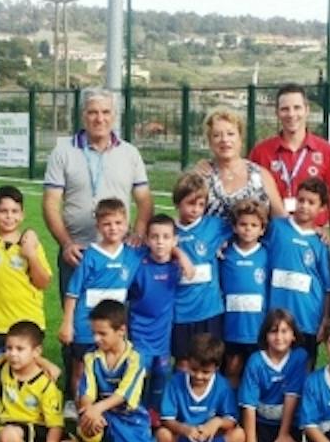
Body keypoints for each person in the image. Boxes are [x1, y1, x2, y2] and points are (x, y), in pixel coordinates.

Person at [42, 87, 153, 297]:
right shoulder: (63, 152)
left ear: (114, 116)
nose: (99, 118)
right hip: (77, 253)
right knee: (75, 322)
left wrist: (138, 233)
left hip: (118, 252)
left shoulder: (129, 153)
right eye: (93, 112)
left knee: (116, 322)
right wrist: (66, 244)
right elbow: (50, 204)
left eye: (105, 112)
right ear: (83, 115)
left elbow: (145, 201)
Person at [249, 83, 330, 258]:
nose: (291, 114)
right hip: (272, 240)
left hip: (314, 240)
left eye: (297, 108)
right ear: (277, 113)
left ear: (307, 110)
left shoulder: (325, 151)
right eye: (285, 109)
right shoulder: (261, 152)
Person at [60, 198, 139, 404]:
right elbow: (73, 292)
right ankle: (79, 410)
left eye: (118, 223)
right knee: (81, 368)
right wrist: (67, 323)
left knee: (112, 365)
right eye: (107, 224)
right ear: (98, 226)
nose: (113, 228)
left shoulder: (132, 255)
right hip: (86, 325)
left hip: (114, 326)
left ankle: (107, 409)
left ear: (126, 223)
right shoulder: (90, 256)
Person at [0, 322, 80, 442]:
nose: (13, 354)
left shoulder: (46, 383)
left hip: (38, 430)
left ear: (36, 351)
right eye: (9, 348)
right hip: (9, 427)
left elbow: (55, 425)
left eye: (20, 349)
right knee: (9, 437)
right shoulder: (1, 366)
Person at [75, 299, 154, 442]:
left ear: (121, 331)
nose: (96, 339)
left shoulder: (136, 358)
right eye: (94, 333)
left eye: (102, 334)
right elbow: (86, 392)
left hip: (128, 414)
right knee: (88, 426)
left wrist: (97, 408)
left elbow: (123, 394)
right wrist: (90, 410)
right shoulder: (91, 357)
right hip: (101, 414)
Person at [264, 176, 330, 360]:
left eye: (311, 202)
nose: (304, 206)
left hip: (306, 319)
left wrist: (325, 319)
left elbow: (327, 287)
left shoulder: (320, 242)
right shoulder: (277, 227)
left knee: (303, 369)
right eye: (301, 200)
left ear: (322, 208)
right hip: (274, 314)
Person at [0, 185, 52, 356]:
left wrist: (31, 256)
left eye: (14, 211)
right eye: (3, 211)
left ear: (22, 214)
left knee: (26, 375)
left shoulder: (31, 244)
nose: (9, 216)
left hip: (28, 322)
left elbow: (43, 282)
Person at [156, 333, 245, 442]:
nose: (198, 376)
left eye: (205, 372)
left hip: (210, 436)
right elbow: (167, 419)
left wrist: (216, 423)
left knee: (239, 435)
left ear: (216, 368)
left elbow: (231, 420)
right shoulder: (175, 382)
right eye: (194, 369)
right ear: (188, 362)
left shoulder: (223, 386)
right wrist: (185, 429)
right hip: (185, 435)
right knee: (162, 435)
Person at [127, 214, 184, 415]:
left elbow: (192, 273)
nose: (160, 242)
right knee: (139, 374)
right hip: (139, 333)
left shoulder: (177, 266)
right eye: (155, 237)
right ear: (147, 239)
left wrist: (181, 256)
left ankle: (155, 414)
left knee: (162, 373)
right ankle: (136, 413)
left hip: (163, 336)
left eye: (166, 237)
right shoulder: (138, 262)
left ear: (174, 240)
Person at [237, 308, 309, 442]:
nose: (279, 337)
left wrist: (284, 434)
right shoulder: (255, 360)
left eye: (285, 331)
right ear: (265, 335)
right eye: (273, 331)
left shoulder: (299, 357)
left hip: (287, 423)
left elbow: (292, 396)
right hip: (261, 423)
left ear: (293, 335)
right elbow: (249, 405)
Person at [171, 172, 229, 362]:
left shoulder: (215, 226)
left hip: (209, 309)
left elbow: (246, 226)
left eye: (201, 205)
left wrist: (226, 243)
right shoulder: (169, 232)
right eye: (190, 203)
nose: (196, 209)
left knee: (210, 360)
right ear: (178, 202)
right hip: (180, 311)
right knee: (182, 362)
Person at [200, 107, 286, 224]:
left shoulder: (261, 175)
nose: (225, 139)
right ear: (209, 141)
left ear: (240, 138)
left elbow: (280, 218)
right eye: (217, 135)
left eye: (230, 134)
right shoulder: (201, 176)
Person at [218, 200, 270, 384]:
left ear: (262, 229)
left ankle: (251, 410)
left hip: (257, 329)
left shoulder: (266, 254)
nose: (248, 229)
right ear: (234, 227)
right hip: (232, 328)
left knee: (255, 374)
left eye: (254, 225)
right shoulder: (225, 254)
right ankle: (230, 411)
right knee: (232, 369)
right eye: (243, 224)